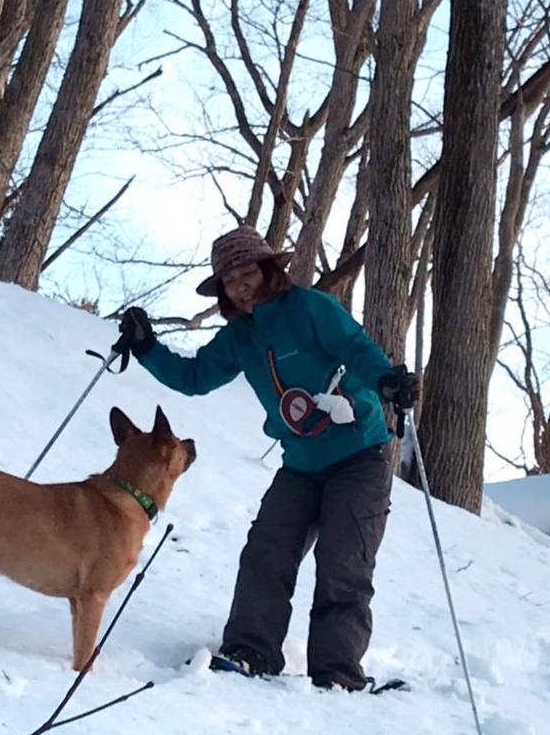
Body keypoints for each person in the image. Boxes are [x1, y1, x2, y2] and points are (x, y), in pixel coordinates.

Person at [116, 224, 418, 691]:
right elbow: (195, 376)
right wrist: (147, 347)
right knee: (265, 554)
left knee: (345, 565)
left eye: (246, 272)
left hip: (359, 457)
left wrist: (386, 381)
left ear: (268, 268)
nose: (240, 284)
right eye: (229, 280)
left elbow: (355, 348)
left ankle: (336, 674)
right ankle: (250, 652)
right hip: (299, 465)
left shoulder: (310, 308)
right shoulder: (242, 338)